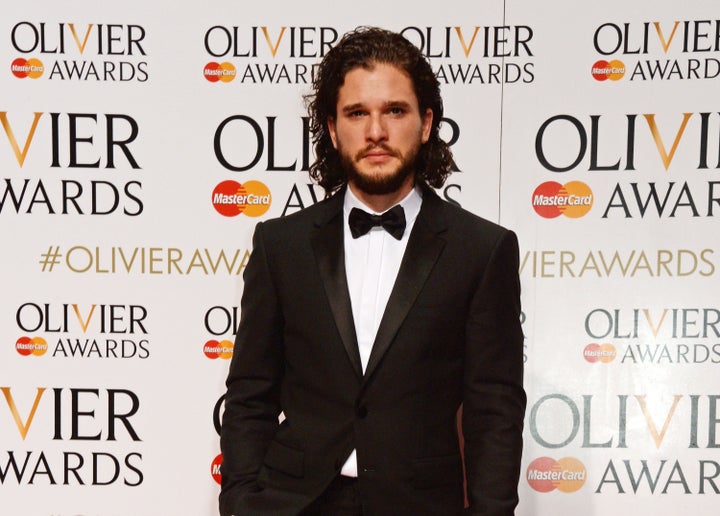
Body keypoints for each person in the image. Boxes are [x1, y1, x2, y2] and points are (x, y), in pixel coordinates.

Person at [219, 26, 526, 516]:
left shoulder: (482, 250)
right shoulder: (281, 245)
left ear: (426, 124)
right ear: (334, 128)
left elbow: (495, 412)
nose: (376, 131)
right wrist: (240, 501)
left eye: (395, 111)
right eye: (357, 113)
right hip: (292, 502)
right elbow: (249, 394)